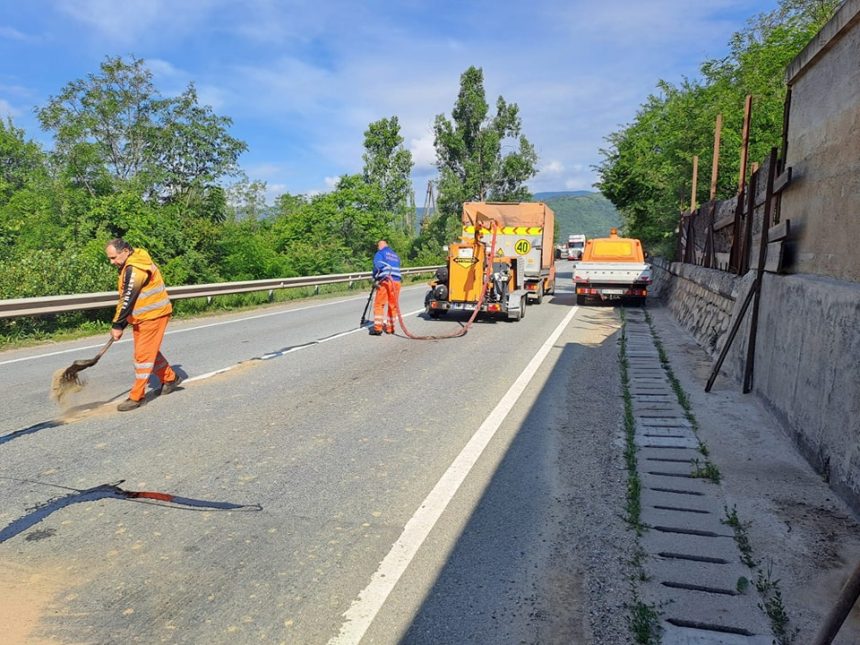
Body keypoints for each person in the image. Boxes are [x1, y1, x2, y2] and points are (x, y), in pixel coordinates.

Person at [105, 238, 181, 411]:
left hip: (153, 315)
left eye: (114, 257)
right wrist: (121, 323)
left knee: (142, 357)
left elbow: (128, 299)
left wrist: (117, 325)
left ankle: (137, 397)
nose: (112, 262)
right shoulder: (134, 259)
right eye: (109, 258)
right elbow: (127, 299)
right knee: (148, 352)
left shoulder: (135, 269)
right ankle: (170, 378)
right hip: (143, 316)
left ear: (125, 251)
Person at [370, 240, 402, 335]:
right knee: (393, 305)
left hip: (385, 281)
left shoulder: (380, 253)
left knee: (379, 304)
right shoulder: (395, 255)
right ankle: (390, 328)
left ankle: (378, 328)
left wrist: (374, 277)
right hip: (396, 282)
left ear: (380, 246)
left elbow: (377, 267)